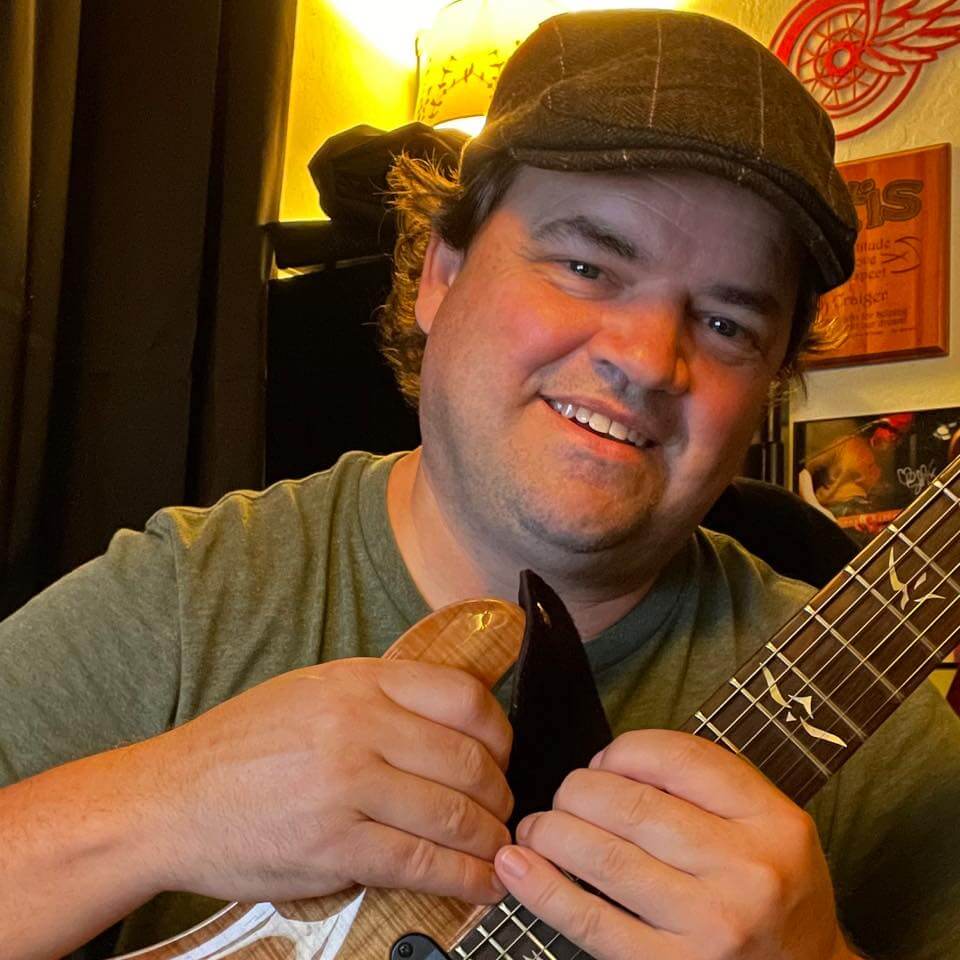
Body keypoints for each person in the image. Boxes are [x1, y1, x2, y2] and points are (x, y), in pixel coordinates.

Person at [1, 9, 958, 960]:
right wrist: (159, 806)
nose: (646, 358)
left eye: (726, 325)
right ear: (442, 274)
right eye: (586, 265)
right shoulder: (189, 598)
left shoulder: (881, 725)